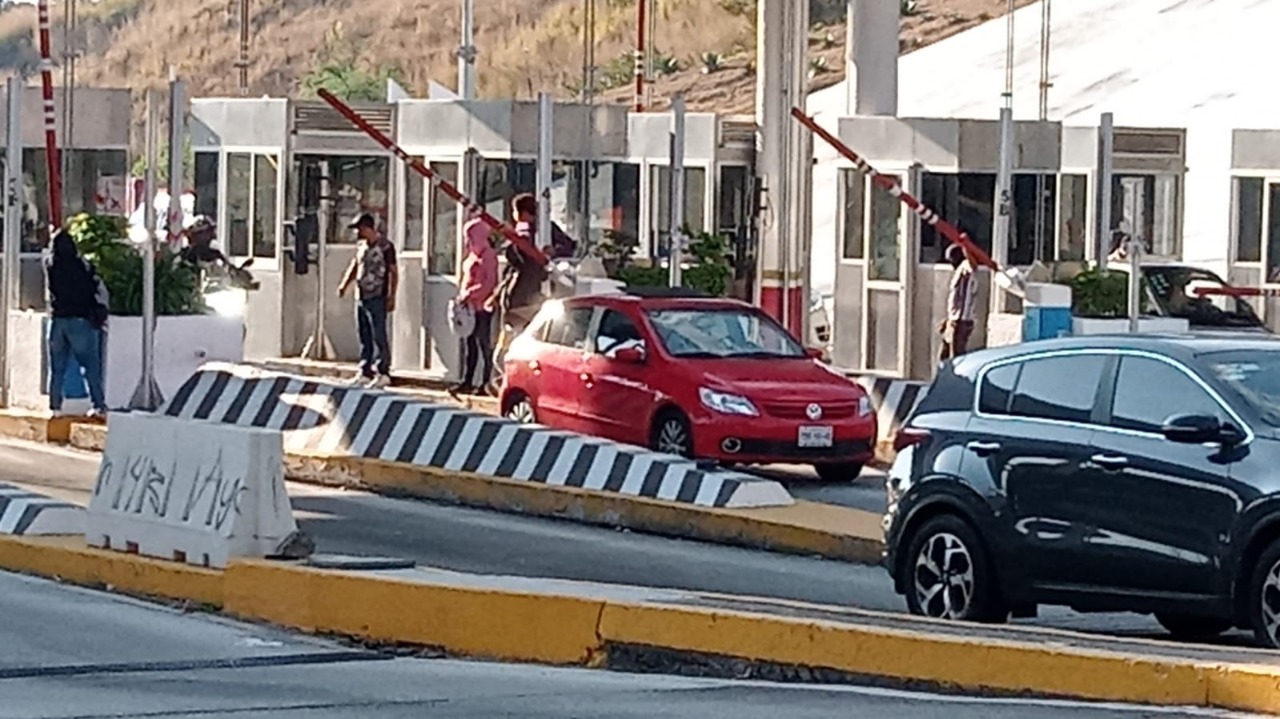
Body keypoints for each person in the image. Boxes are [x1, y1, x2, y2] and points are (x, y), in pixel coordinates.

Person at [44, 228, 108, 418]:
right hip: (81, 320)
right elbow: (95, 287)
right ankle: (98, 406)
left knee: (57, 368)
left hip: (58, 320)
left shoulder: (51, 265)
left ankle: (55, 408)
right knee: (90, 367)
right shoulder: (84, 265)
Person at [337, 213, 398, 388]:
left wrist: (392, 295)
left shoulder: (386, 247)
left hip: (377, 295)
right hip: (361, 295)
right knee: (364, 334)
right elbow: (356, 265)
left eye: (360, 229)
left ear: (368, 228)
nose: (358, 233)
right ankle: (365, 370)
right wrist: (345, 284)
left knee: (378, 333)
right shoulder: (362, 246)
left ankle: (383, 371)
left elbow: (393, 271)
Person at [451, 217, 499, 396]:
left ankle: (486, 382)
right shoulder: (472, 255)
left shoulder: (488, 255)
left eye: (470, 236)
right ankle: (467, 380)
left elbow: (490, 283)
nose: (468, 241)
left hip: (482, 307)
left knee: (483, 344)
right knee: (469, 345)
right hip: (468, 309)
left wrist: (470, 294)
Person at [939, 243, 977, 361]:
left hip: (961, 320)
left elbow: (973, 265)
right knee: (944, 354)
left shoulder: (965, 267)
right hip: (954, 318)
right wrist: (948, 319)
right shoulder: (958, 270)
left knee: (957, 355)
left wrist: (965, 246)